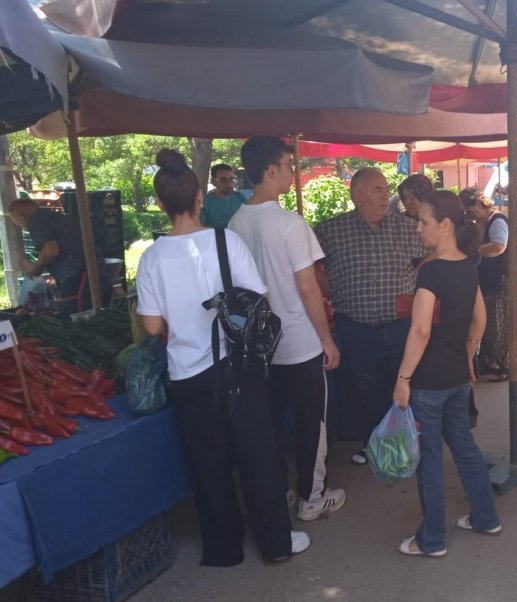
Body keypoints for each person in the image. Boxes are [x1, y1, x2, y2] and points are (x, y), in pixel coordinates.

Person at [136, 149, 308, 566]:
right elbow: (259, 297)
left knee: (207, 461)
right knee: (258, 455)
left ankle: (224, 547)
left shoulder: (151, 258)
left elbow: (153, 327)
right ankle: (276, 544)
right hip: (238, 366)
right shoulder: (225, 241)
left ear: (160, 204)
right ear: (200, 198)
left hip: (187, 374)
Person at [228, 136, 346, 521]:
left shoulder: (235, 222)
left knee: (274, 423)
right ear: (270, 170)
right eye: (288, 165)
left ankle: (281, 492)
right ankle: (313, 495)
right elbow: (308, 287)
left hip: (258, 346)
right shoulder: (289, 224)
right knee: (313, 421)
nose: (293, 173)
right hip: (299, 341)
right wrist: (326, 339)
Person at [392, 190, 500, 557]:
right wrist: (468, 356)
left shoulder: (432, 271)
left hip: (427, 382)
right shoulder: (468, 266)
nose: (419, 228)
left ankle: (432, 539)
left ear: (446, 225)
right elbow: (479, 320)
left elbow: (420, 330)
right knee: (465, 448)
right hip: (457, 376)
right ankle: (486, 517)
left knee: (431, 461)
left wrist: (403, 378)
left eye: (423, 221)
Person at [314, 167, 427, 465]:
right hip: (358, 329)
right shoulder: (330, 231)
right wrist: (326, 286)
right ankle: (375, 444)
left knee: (405, 386)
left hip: (402, 326)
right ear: (357, 197)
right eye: (377, 190)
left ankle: (406, 444)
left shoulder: (405, 227)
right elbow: (309, 266)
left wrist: (417, 274)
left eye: (384, 189)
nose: (385, 196)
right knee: (367, 390)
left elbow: (436, 249)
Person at [7, 199, 112, 317]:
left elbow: (51, 251)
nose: (20, 227)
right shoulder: (60, 218)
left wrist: (36, 270)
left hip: (78, 279)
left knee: (75, 322)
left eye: (18, 223)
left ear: (22, 217)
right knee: (100, 319)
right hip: (97, 272)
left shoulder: (36, 221)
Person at [460, 187, 509, 381]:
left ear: (480, 204)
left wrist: (473, 252)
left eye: (471, 211)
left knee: (495, 324)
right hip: (484, 279)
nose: (470, 215)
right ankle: (490, 362)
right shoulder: (480, 222)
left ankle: (501, 365)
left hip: (496, 279)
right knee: (485, 322)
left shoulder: (497, 220)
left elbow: (498, 246)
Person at [199, 163, 246, 228]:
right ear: (214, 182)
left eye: (231, 179)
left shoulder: (240, 198)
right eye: (223, 180)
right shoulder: (206, 203)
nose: (228, 183)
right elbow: (202, 228)